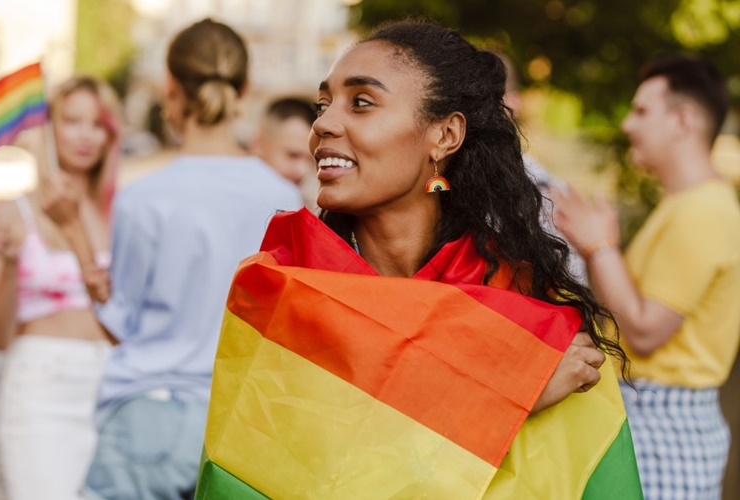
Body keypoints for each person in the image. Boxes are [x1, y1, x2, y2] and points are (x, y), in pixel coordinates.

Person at [196, 20, 641, 498]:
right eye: (322, 105)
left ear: (444, 135)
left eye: (361, 102)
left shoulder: (531, 312)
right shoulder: (281, 295)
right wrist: (503, 400)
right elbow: (256, 473)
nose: (323, 123)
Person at [43, 18, 303, 499]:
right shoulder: (285, 198)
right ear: (244, 89)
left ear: (170, 89)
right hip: (244, 427)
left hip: (150, 416)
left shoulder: (144, 199)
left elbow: (120, 324)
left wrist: (94, 280)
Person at [552, 55, 740, 499]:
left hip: (663, 423)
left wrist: (599, 247)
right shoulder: (687, 206)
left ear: (682, 120)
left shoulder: (703, 211)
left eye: (641, 111)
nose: (627, 125)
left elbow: (644, 331)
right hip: (655, 417)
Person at [0, 75, 120, 500]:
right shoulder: (9, 217)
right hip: (42, 389)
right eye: (72, 120)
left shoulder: (125, 213)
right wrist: (6, 263)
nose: (85, 135)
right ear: (49, 126)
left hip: (114, 387)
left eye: (97, 124)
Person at [498, 51, 587, 283]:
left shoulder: (548, 191)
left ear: (514, 102)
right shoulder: (434, 186)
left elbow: (573, 285)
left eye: (489, 97)